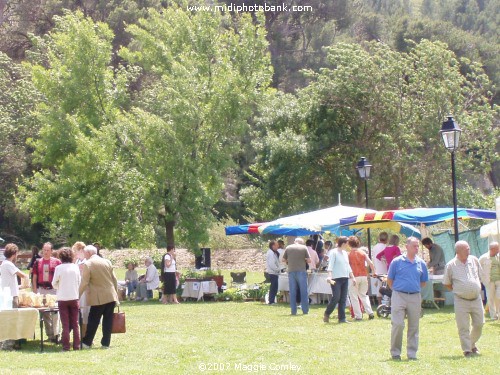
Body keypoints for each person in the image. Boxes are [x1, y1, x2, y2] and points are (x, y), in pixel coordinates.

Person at [387, 236, 428, 360]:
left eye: (417, 246)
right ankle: (395, 353)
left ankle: (412, 353)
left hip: (415, 296)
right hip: (399, 295)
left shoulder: (421, 263)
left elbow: (423, 282)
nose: (417, 248)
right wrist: (398, 289)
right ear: (407, 246)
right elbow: (390, 280)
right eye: (414, 246)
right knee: (398, 324)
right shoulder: (397, 262)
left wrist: (412, 288)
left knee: (414, 326)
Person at [443, 240, 485, 357]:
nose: (469, 250)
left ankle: (471, 343)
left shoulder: (474, 260)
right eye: (466, 249)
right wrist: (459, 291)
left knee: (480, 323)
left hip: (476, 299)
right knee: (463, 326)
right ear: (459, 251)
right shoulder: (451, 265)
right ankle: (467, 350)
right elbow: (447, 283)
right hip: (461, 300)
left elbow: (479, 276)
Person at [79, 245, 119, 349]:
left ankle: (86, 343)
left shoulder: (88, 264)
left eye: (84, 253)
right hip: (110, 295)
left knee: (93, 320)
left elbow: (84, 283)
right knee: (108, 320)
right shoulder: (107, 262)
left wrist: (77, 296)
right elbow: (114, 279)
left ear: (88, 253)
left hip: (98, 298)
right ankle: (106, 343)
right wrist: (116, 295)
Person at [0, 243, 29, 350]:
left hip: (8, 294)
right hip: (11, 296)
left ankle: (9, 342)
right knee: (12, 320)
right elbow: (23, 274)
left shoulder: (4, 264)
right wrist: (27, 282)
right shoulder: (8, 264)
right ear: (14, 253)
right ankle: (8, 345)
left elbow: (10, 282)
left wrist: (21, 286)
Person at [52, 247, 81, 351]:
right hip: (74, 297)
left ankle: (66, 346)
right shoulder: (75, 267)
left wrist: (59, 286)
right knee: (75, 323)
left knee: (65, 324)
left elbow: (54, 283)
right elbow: (79, 281)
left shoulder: (59, 268)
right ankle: (77, 345)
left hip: (62, 298)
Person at [32, 242, 61, 343]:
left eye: (48, 250)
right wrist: (35, 291)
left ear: (52, 251)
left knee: (55, 313)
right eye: (44, 250)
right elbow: (34, 277)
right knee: (44, 313)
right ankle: (50, 335)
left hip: (53, 290)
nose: (46, 252)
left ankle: (57, 334)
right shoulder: (37, 262)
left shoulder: (57, 262)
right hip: (42, 289)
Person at [323, 236, 356, 323]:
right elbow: (330, 266)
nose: (348, 245)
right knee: (336, 297)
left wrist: (352, 277)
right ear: (344, 243)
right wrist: (329, 276)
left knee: (343, 299)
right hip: (336, 278)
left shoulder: (345, 253)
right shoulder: (334, 252)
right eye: (347, 243)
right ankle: (327, 313)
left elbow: (348, 266)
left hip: (345, 278)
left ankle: (342, 318)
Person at [348, 237, 375, 320]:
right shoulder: (363, 253)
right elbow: (370, 263)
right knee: (363, 295)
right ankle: (370, 312)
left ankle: (358, 315)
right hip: (363, 276)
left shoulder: (348, 254)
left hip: (354, 277)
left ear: (349, 244)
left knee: (354, 297)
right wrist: (374, 272)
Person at [283, 238, 311, 315]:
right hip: (301, 271)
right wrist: (303, 259)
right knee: (303, 291)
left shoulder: (288, 247)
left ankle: (293, 311)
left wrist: (291, 261)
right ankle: (305, 310)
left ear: (295, 241)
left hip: (291, 271)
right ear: (302, 243)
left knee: (292, 292)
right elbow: (309, 260)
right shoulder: (304, 248)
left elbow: (283, 259)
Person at [478, 242, 499, 320]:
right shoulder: (483, 257)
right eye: (497, 248)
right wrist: (481, 278)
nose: (498, 250)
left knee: (498, 296)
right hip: (488, 280)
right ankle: (493, 316)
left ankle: (498, 313)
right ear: (492, 249)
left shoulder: (498, 257)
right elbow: (478, 268)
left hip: (498, 280)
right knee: (490, 297)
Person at [73, 241, 90, 337]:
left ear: (81, 250)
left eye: (76, 251)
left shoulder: (87, 261)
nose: (75, 253)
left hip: (85, 291)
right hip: (78, 289)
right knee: (80, 314)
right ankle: (81, 335)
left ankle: (85, 336)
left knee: (85, 313)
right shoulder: (78, 261)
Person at [371, 232, 388, 305]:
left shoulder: (374, 247)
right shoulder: (386, 247)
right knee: (386, 286)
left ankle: (379, 303)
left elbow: (373, 259)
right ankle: (386, 302)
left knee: (379, 286)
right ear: (387, 239)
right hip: (385, 270)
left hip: (377, 269)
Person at [266, 240, 281, 305]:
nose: (278, 247)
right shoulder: (271, 253)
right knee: (273, 287)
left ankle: (272, 300)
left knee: (275, 287)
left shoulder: (273, 253)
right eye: (276, 245)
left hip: (274, 272)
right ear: (273, 246)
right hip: (273, 272)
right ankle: (271, 301)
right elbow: (272, 264)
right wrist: (277, 269)